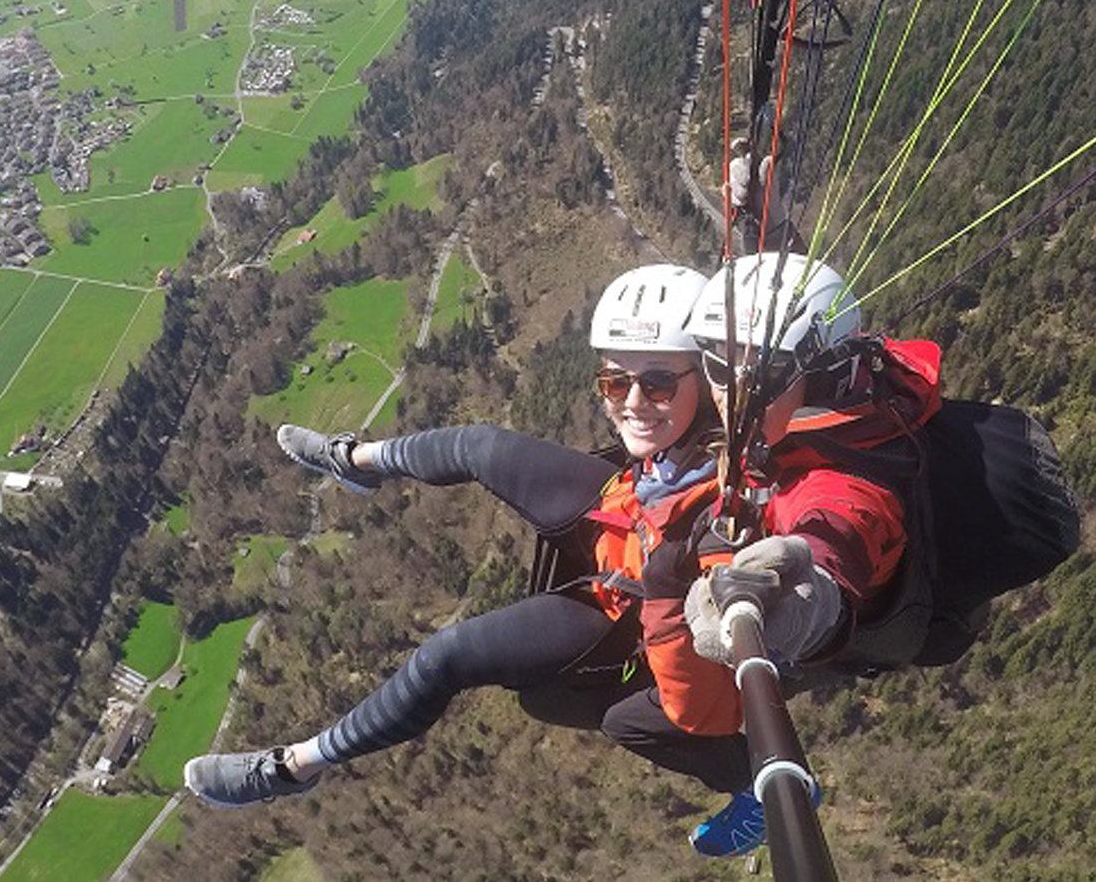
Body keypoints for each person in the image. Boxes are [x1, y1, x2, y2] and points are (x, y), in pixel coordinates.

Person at [184, 264, 750, 821]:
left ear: (710, 381)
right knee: (478, 445)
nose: (630, 402)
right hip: (623, 510)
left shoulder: (729, 514)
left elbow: (709, 695)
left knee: (444, 657)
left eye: (656, 382)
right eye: (614, 381)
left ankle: (293, 768)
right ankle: (354, 460)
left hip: (623, 609)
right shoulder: (686, 436)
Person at [598, 251, 942, 856]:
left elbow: (835, 531)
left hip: (828, 632)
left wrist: (801, 587)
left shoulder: (842, 474)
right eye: (716, 365)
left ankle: (755, 791)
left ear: (819, 369)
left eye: (761, 372)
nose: (732, 393)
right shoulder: (813, 404)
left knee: (626, 719)